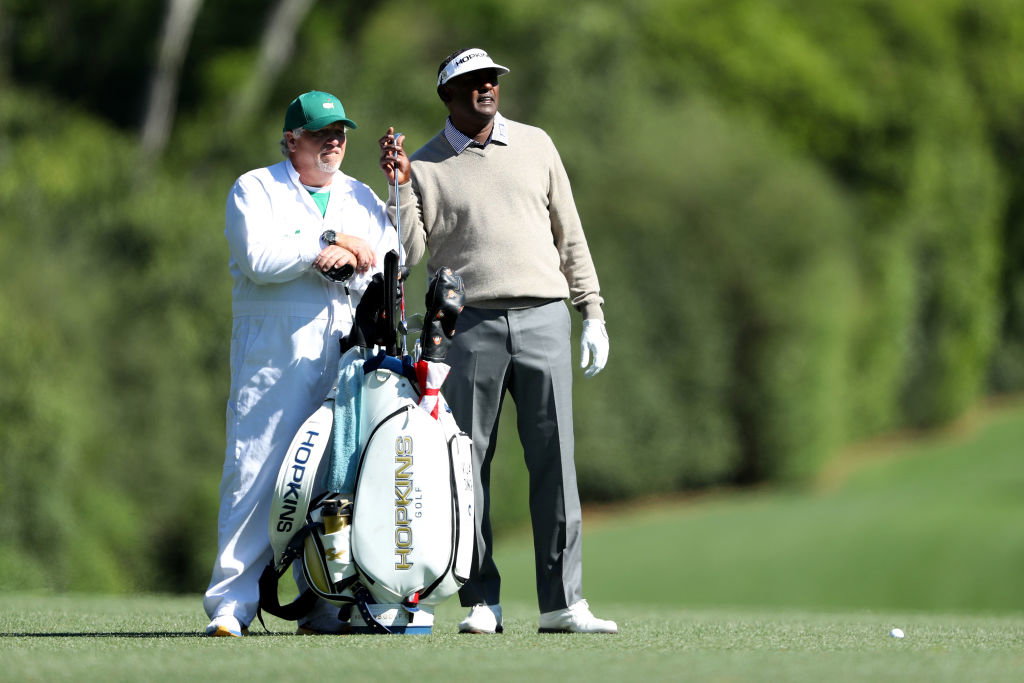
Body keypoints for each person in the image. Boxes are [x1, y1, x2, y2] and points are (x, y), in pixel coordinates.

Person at [378, 48, 616, 634]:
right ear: (448, 96)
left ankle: (563, 603)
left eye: (492, 79)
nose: (487, 87)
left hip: (543, 318)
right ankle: (480, 599)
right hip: (470, 326)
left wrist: (593, 311)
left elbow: (571, 234)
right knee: (466, 467)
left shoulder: (537, 144)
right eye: (473, 82)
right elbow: (407, 256)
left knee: (554, 462)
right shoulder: (426, 165)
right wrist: (401, 187)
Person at [204, 91, 398, 637]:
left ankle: (325, 602)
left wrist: (354, 253)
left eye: (340, 133)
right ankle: (232, 604)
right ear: (292, 140)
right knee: (257, 472)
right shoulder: (255, 187)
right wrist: (328, 242)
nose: (334, 142)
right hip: (274, 353)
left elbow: (385, 264)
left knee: (336, 479)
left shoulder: (360, 193)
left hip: (343, 348)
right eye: (320, 133)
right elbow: (259, 259)